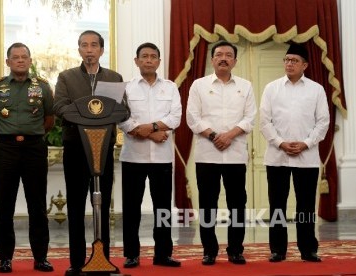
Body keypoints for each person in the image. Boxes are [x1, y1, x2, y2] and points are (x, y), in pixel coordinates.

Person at [53, 30, 123, 275]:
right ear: (79, 50)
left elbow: (121, 109)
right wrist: (87, 113)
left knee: (102, 205)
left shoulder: (114, 77)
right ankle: (76, 261)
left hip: (103, 149)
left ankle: (102, 257)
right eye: (84, 45)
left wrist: (98, 115)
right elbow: (59, 106)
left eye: (94, 45)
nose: (89, 49)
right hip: (76, 148)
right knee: (75, 205)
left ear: (102, 50)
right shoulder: (66, 77)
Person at [0, 42, 55, 273]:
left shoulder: (43, 87)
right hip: (6, 148)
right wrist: (9, 135)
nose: (20, 60)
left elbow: (50, 120)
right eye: (16, 57)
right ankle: (5, 258)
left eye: (25, 57)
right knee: (4, 206)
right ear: (8, 62)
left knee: (37, 205)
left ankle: (41, 257)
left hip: (34, 148)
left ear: (30, 61)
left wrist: (32, 135)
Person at [186, 41, 257, 265]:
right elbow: (192, 118)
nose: (223, 58)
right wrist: (214, 136)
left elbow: (250, 118)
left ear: (235, 61)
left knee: (237, 203)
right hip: (208, 154)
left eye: (228, 55)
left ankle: (236, 249)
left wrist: (230, 135)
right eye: (219, 55)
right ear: (212, 59)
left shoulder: (245, 86)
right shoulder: (198, 85)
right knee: (208, 204)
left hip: (235, 155)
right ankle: (209, 250)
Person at [260, 43, 330, 263]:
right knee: (277, 205)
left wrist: (306, 143)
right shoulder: (271, 88)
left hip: (306, 157)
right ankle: (278, 250)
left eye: (294, 61)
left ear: (305, 65)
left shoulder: (316, 89)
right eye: (287, 60)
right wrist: (280, 143)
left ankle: (308, 249)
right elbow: (264, 121)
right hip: (277, 156)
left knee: (305, 206)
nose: (289, 64)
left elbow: (323, 122)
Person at [118, 42, 182, 268]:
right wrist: (151, 132)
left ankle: (163, 254)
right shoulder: (126, 87)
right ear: (136, 61)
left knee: (162, 208)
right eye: (144, 56)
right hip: (133, 156)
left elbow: (175, 118)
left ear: (159, 61)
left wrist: (150, 128)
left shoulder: (171, 87)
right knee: (132, 208)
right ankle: (131, 254)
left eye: (153, 56)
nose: (148, 60)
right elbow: (122, 118)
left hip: (162, 158)